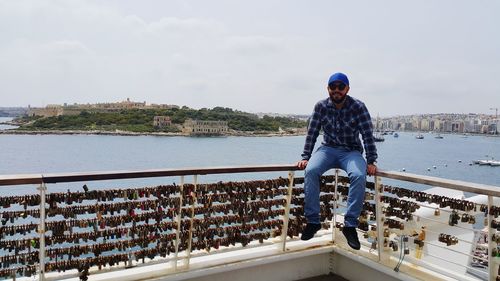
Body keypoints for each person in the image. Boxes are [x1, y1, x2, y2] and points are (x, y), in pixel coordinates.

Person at [296, 72, 378, 250]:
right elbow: (312, 133)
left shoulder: (358, 107)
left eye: (341, 87)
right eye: (333, 87)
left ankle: (350, 226)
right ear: (328, 89)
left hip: (351, 151)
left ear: (347, 89)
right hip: (327, 149)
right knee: (310, 171)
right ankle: (313, 221)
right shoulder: (321, 107)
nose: (337, 90)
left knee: (358, 174)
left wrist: (371, 160)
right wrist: (305, 157)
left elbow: (367, 135)